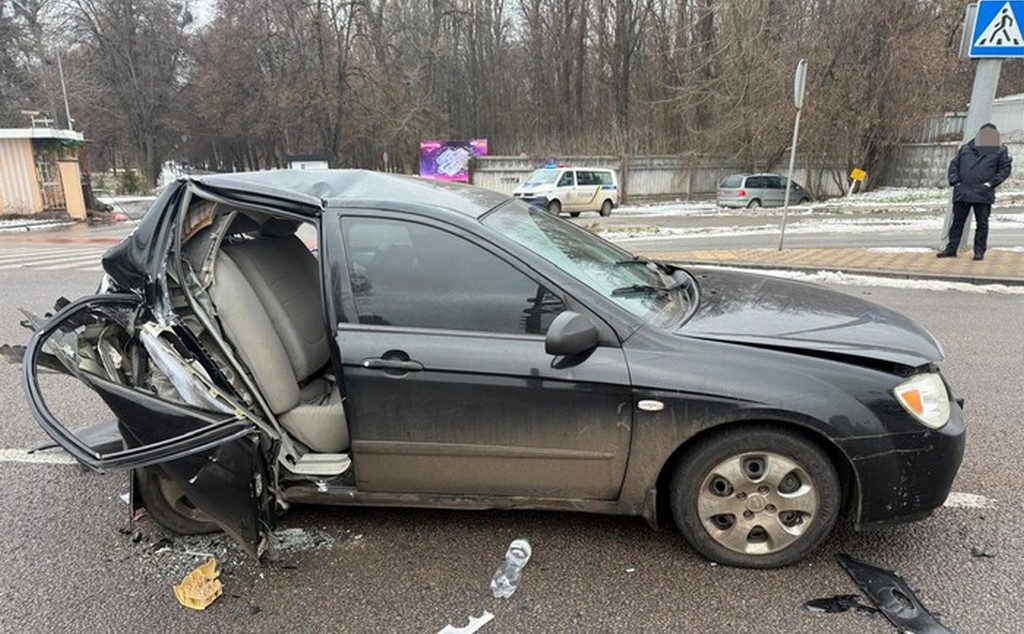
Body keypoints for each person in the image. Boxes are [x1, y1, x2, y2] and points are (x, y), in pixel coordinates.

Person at [938, 123, 1012, 260]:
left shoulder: (1000, 151)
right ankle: (951, 249)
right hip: (963, 191)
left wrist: (990, 184)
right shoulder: (966, 148)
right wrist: (955, 181)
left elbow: (1004, 170)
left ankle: (979, 251)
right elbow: (954, 165)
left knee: (982, 224)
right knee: (957, 223)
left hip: (983, 192)